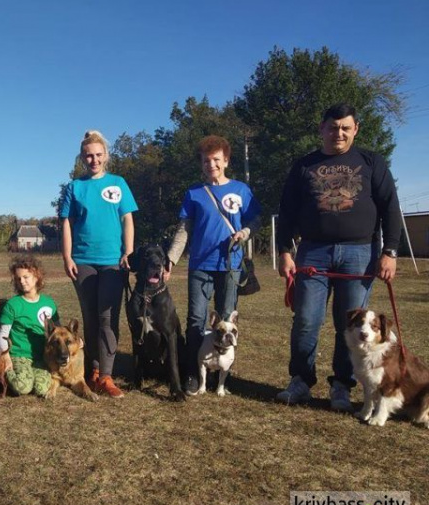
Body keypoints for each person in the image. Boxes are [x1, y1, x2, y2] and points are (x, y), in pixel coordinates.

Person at [275, 103, 401, 412]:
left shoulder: (372, 162)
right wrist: (284, 251)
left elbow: (390, 208)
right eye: (332, 127)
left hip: (360, 253)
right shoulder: (304, 165)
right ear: (321, 129)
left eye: (345, 127)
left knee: (352, 326)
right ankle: (301, 381)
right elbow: (287, 211)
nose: (339, 133)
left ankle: (342, 385)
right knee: (306, 320)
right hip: (313, 251)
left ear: (356, 129)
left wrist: (390, 252)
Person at [166, 135, 261, 395]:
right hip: (200, 265)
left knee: (227, 316)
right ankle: (193, 375)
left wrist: (244, 233)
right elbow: (184, 229)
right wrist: (171, 258)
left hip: (230, 265)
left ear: (226, 161)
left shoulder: (242, 190)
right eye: (207, 161)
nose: (212, 165)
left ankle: (223, 374)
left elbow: (255, 221)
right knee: (196, 320)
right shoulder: (194, 193)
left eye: (217, 160)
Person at [60, 130, 137, 398]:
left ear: (106, 156)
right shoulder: (75, 187)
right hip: (82, 262)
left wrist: (128, 252)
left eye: (98, 155)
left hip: (113, 262)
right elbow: (67, 223)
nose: (94, 160)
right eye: (89, 156)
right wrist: (67, 257)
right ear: (82, 158)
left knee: (108, 319)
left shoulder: (118, 183)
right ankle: (92, 371)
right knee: (90, 318)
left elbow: (127, 219)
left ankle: (106, 375)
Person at [0, 255, 57, 397]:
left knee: (41, 389)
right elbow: (2, 334)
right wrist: (6, 358)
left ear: (36, 276)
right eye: (18, 279)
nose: (22, 282)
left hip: (41, 356)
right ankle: (5, 373)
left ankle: (33, 375)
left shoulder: (49, 303)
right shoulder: (13, 305)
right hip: (18, 355)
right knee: (23, 387)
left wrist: (78, 341)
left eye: (26, 277)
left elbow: (58, 331)